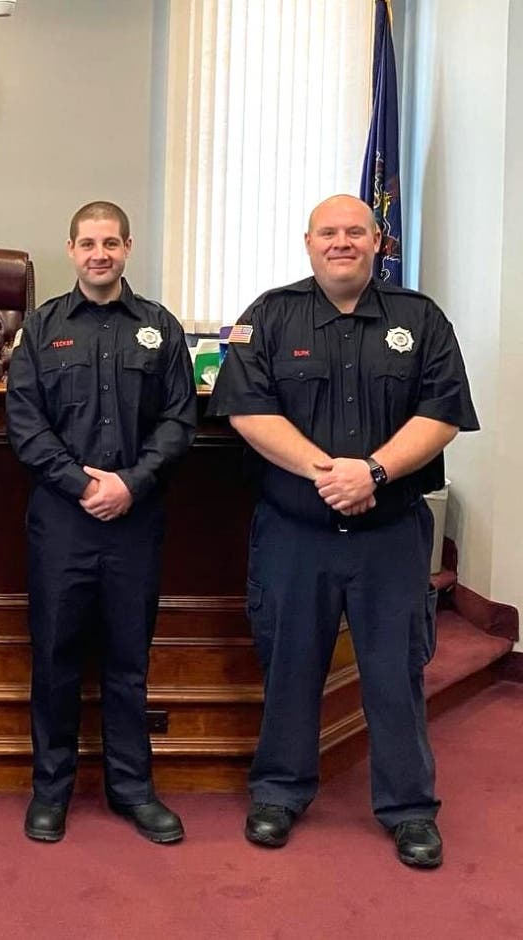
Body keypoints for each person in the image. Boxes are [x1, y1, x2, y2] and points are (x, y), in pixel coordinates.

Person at [208, 194, 479, 869]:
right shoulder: (268, 315)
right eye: (328, 232)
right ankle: (278, 792)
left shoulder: (421, 319)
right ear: (307, 243)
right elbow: (246, 410)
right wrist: (331, 472)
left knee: (395, 670)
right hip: (296, 530)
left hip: (390, 532)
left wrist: (375, 474)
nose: (341, 242)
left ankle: (409, 807)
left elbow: (441, 412)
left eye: (354, 231)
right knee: (291, 662)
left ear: (376, 242)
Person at [6, 201, 196, 844]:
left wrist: (130, 484)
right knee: (55, 658)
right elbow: (25, 425)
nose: (99, 253)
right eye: (88, 242)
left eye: (110, 242)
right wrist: (84, 484)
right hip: (62, 522)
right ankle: (50, 791)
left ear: (127, 248)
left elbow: (179, 421)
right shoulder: (41, 328)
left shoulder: (158, 327)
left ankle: (132, 789)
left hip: (135, 521)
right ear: (70, 248)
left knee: (127, 660)